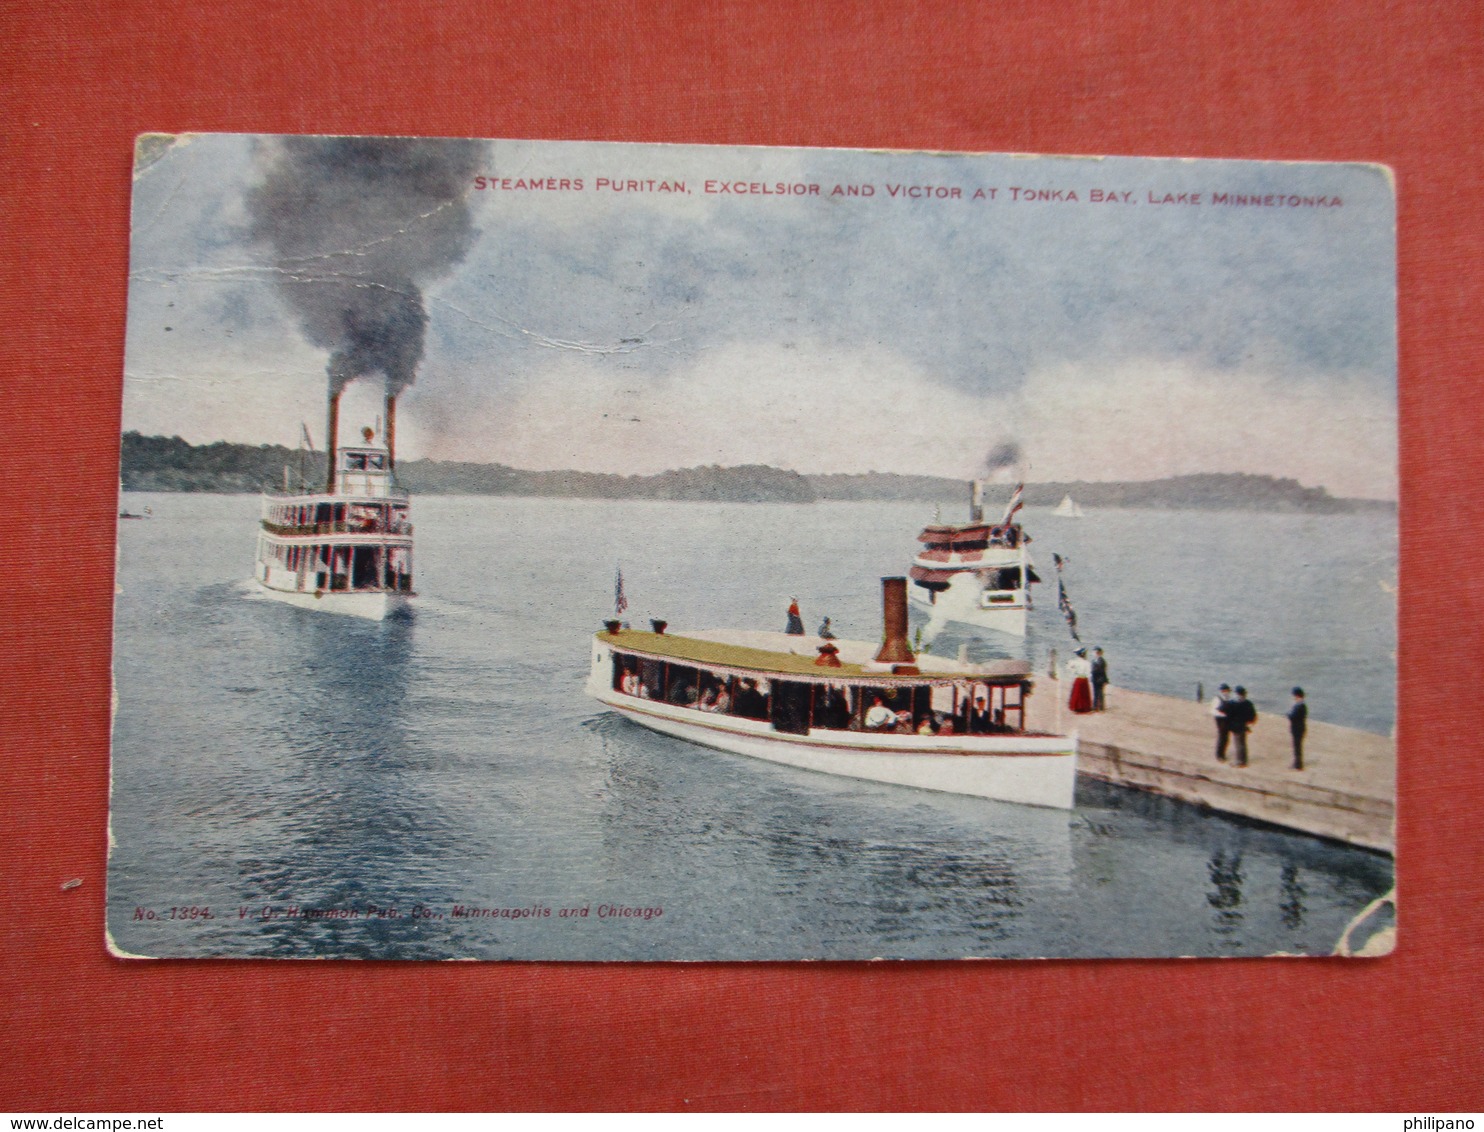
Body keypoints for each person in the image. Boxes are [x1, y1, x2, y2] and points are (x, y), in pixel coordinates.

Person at [1226, 686, 1257, 767]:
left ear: (1237, 694)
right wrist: (1249, 722)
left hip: (1235, 725)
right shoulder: (1248, 703)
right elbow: (1253, 715)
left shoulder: (1233, 703)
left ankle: (1240, 762)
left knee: (1238, 743)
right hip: (1244, 725)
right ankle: (1243, 760)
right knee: (1242, 743)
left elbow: (1228, 714)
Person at [1066, 648, 1094, 713]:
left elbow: (1069, 667)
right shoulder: (1087, 662)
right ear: (1083, 654)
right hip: (1084, 679)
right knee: (1084, 694)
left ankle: (1076, 707)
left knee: (1077, 693)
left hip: (1078, 678)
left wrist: (1074, 672)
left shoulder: (1075, 662)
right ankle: (1084, 707)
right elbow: (1089, 672)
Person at [1288, 687, 1308, 770]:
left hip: (1297, 729)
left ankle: (1298, 764)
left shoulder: (1299, 706)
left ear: (1297, 696)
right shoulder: (1302, 705)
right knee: (1297, 746)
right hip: (1300, 728)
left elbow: (1293, 716)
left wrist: (1289, 715)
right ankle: (1297, 763)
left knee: (1297, 746)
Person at [1212, 683, 1232, 761]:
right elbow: (1213, 711)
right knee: (1222, 736)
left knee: (1226, 737)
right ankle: (1219, 755)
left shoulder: (1228, 698)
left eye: (1227, 690)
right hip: (1220, 719)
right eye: (1225, 690)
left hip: (1227, 719)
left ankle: (1223, 753)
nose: (1226, 692)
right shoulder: (1217, 699)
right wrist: (1222, 714)